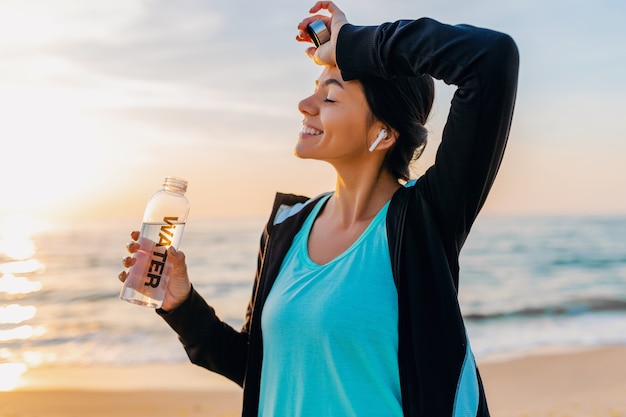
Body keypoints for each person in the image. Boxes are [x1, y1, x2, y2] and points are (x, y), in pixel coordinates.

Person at [119, 2, 518, 416]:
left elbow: (489, 58)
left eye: (330, 96)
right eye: (315, 87)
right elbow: (262, 369)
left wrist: (351, 43)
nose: (305, 104)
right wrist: (181, 305)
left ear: (383, 133)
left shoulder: (423, 220)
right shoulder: (287, 227)